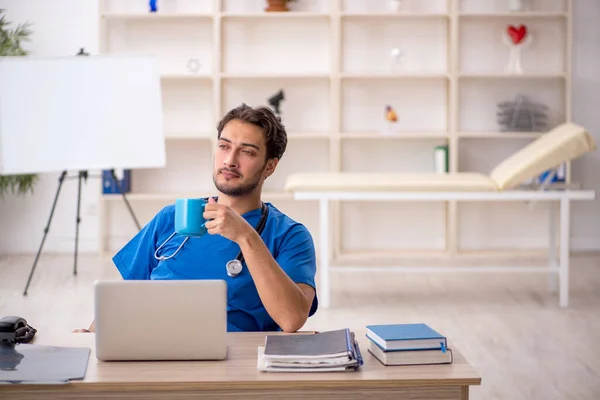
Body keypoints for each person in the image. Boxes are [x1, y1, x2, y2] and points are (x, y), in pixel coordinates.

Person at [76, 104, 318, 333]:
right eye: (224, 146)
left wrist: (246, 237)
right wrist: (92, 334)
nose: (230, 160)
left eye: (246, 152)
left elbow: (291, 319)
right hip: (153, 347)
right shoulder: (172, 217)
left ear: (269, 167)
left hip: (234, 363)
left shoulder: (289, 235)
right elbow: (127, 295)